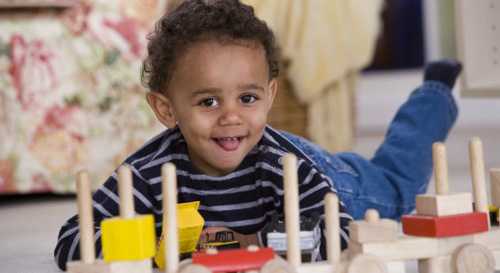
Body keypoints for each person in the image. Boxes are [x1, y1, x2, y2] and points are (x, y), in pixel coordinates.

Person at [54, 0, 461, 270]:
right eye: (208, 102)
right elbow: (72, 241)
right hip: (283, 162)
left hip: (341, 185)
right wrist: (156, 246)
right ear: (166, 109)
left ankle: (434, 92)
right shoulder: (149, 172)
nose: (230, 117)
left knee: (399, 186)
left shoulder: (279, 167)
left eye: (247, 97)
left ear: (269, 96)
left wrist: (249, 241)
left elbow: (336, 234)